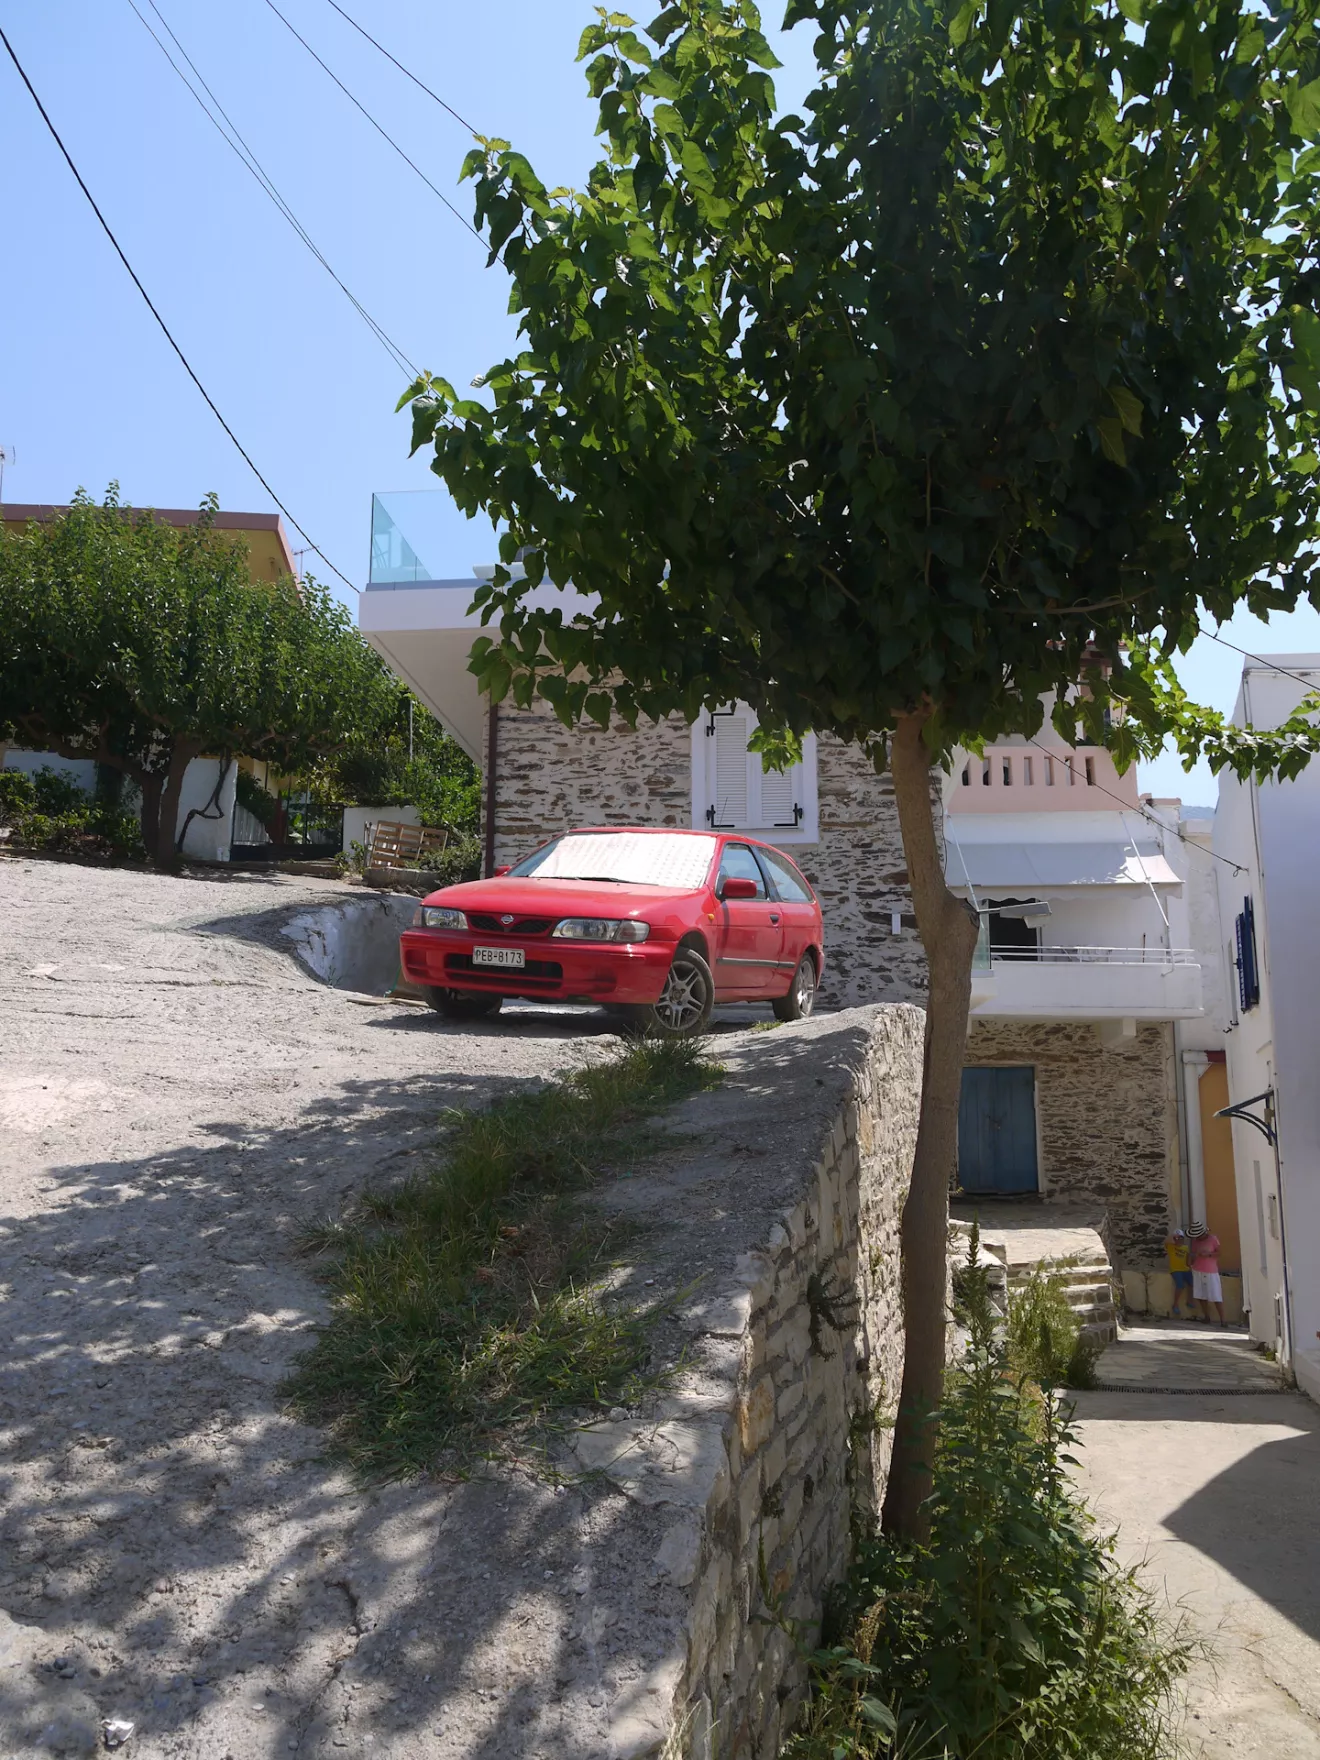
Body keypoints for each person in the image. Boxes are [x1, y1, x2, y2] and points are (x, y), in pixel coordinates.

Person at [1187, 1220, 1225, 1325]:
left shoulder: (1213, 1239)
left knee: (1216, 1295)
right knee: (1201, 1295)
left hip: (1211, 1271)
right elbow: (1193, 1253)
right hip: (1197, 1269)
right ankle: (1206, 1317)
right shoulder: (1195, 1242)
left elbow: (1219, 1253)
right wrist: (1193, 1257)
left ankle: (1223, 1320)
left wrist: (1208, 1254)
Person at [1163, 1227, 1195, 1319]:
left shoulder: (1186, 1248)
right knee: (1180, 1285)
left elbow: (1188, 1260)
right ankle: (1175, 1305)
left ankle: (1189, 1301)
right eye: (1176, 1238)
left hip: (1185, 1269)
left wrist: (1191, 1265)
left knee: (1192, 1284)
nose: (1178, 1239)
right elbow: (1166, 1241)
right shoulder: (1170, 1247)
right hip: (1175, 1270)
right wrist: (1173, 1236)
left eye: (1180, 1238)